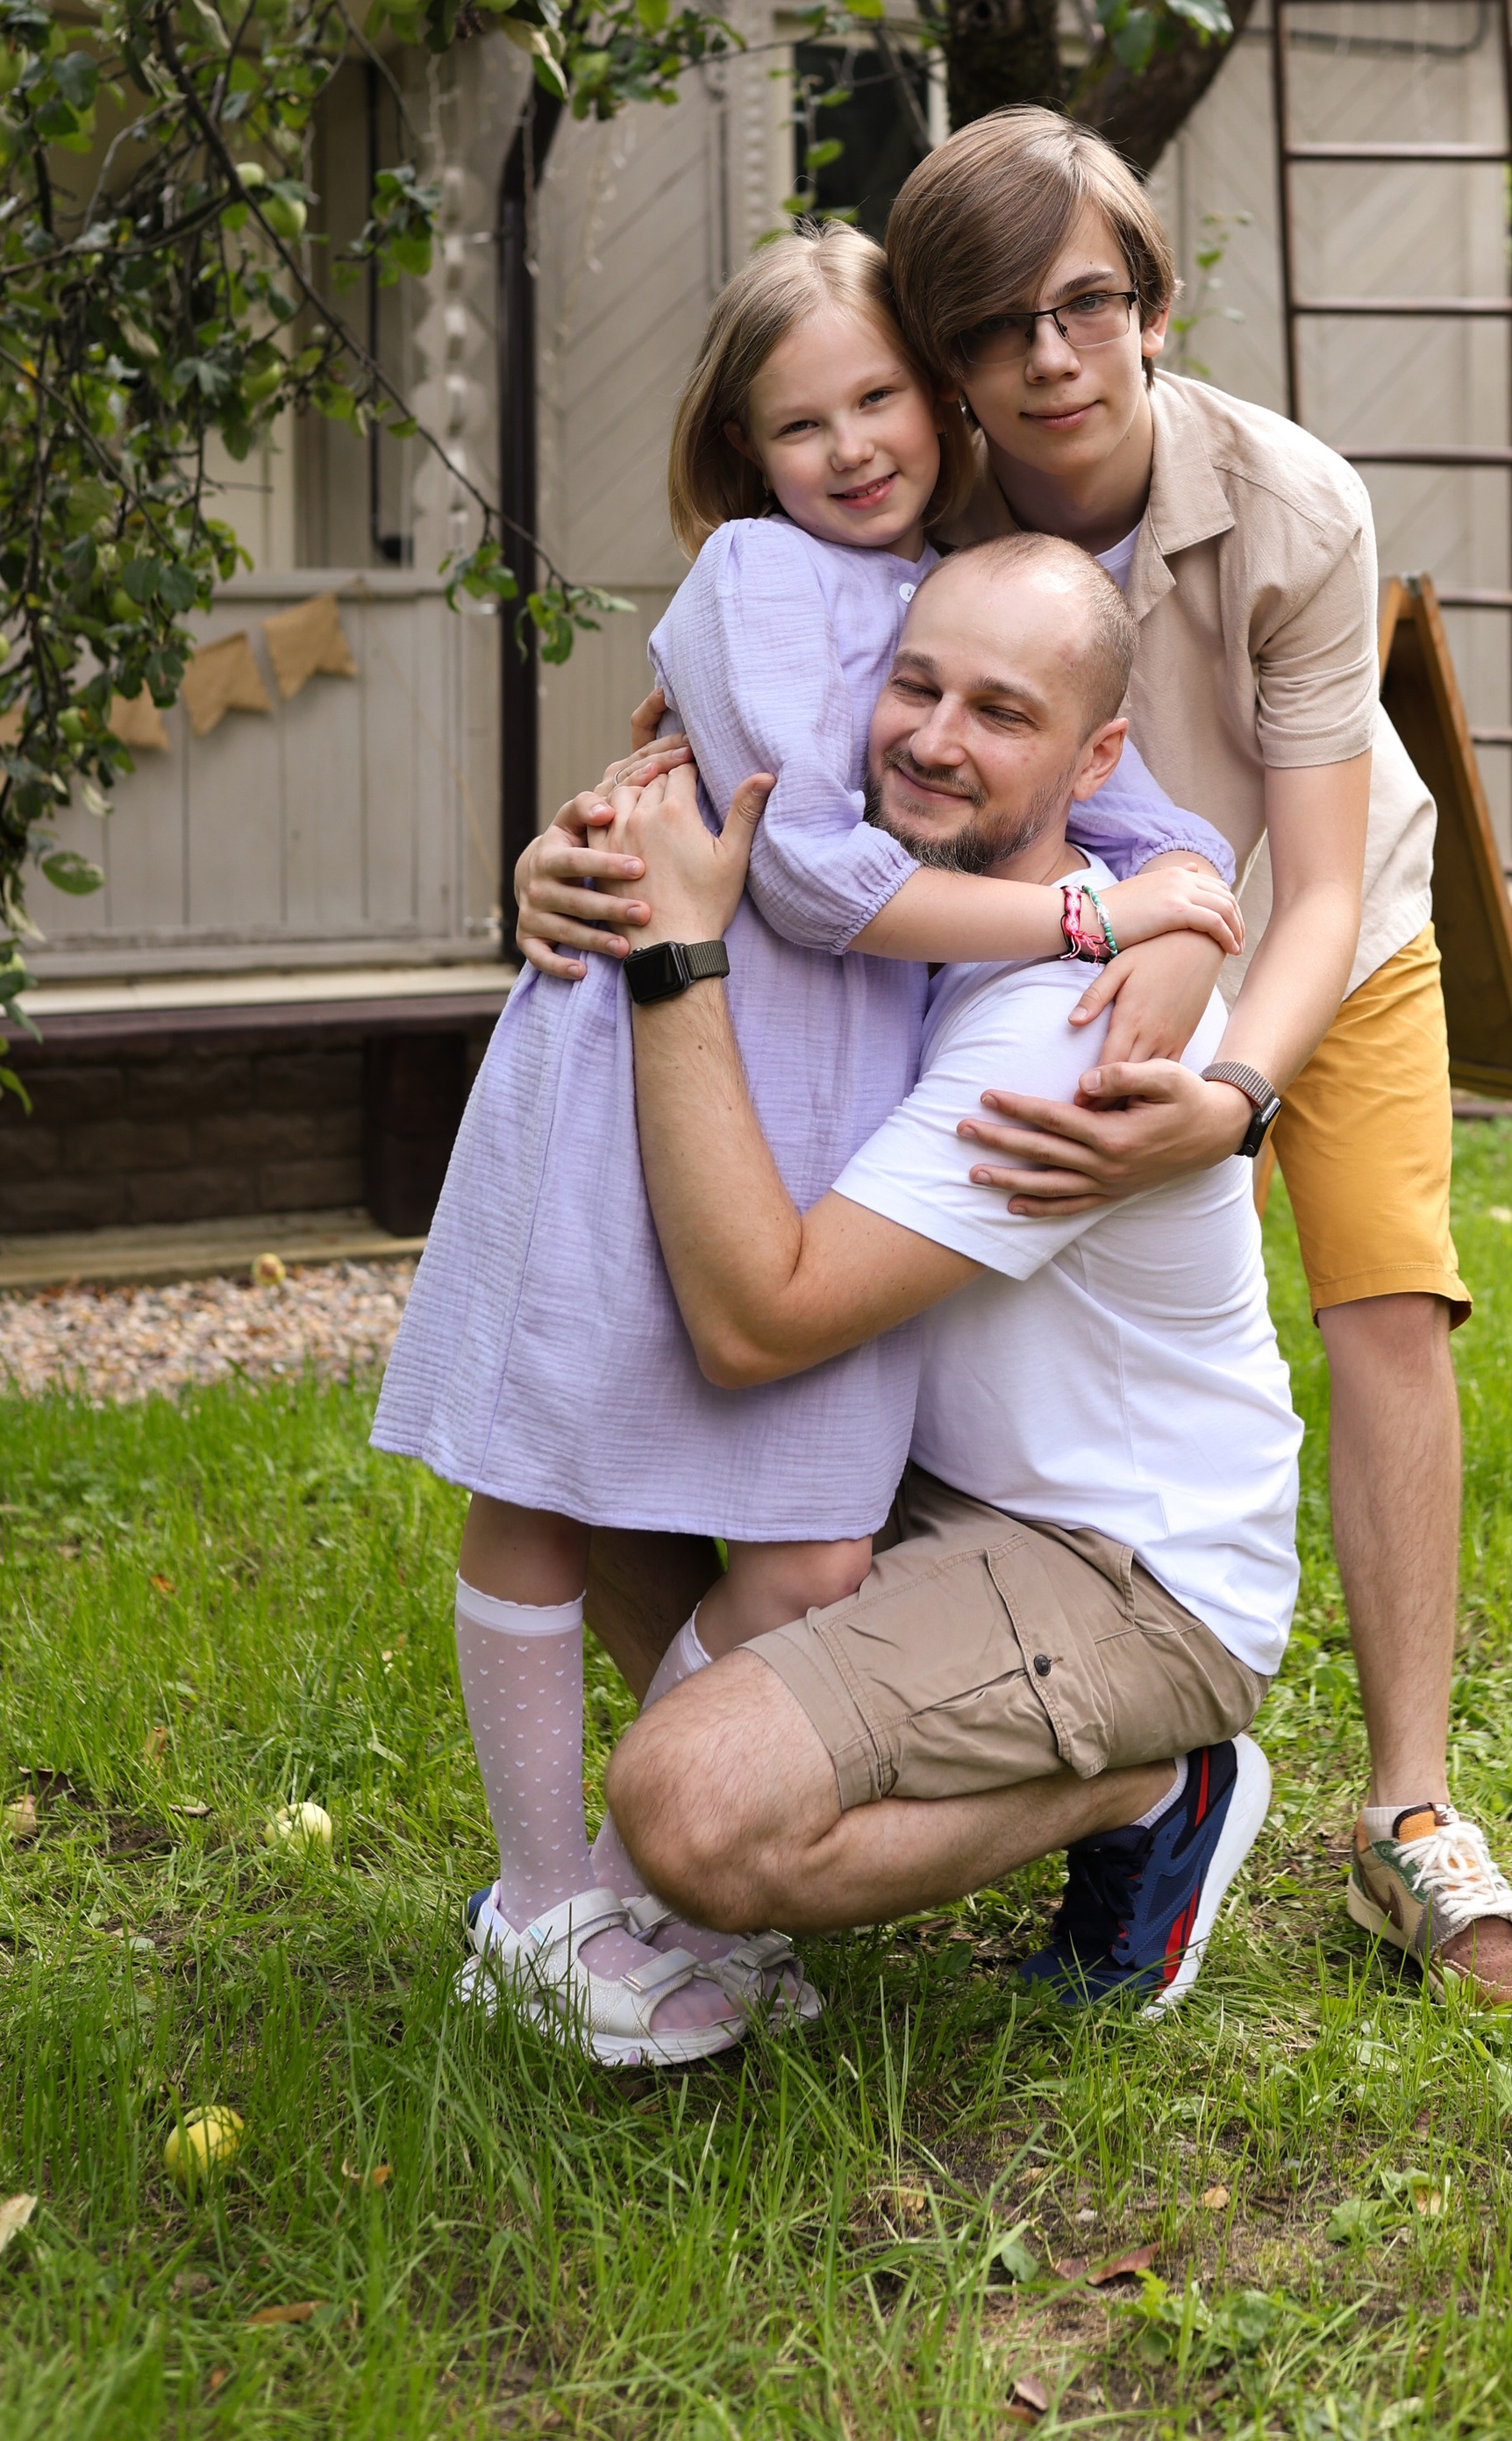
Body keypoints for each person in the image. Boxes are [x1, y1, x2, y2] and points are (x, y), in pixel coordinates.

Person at [520, 112, 1512, 2009]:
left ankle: (1404, 1808)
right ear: (944, 358)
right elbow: (721, 726)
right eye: (993, 328)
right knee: (804, 1365)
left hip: (1311, 900)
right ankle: (946, 1699)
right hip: (1048, 915)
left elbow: (1309, 878)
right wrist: (586, 836)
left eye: (1086, 304)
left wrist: (1221, 1060)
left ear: (1152, 308)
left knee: (1380, 1301)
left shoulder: (1289, 500)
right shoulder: (917, 503)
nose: (1049, 357)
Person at [369, 222, 1242, 2065]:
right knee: (559, 1462)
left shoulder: (973, 587)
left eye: (875, 401)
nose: (847, 445)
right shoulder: (760, 581)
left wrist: (1174, 906)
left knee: (803, 1536)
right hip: (665, 1076)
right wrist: (1086, 924)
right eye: (797, 420)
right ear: (740, 453)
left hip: (799, 1109)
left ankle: (614, 1894)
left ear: (937, 405)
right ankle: (550, 1903)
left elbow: (1152, 815)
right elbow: (805, 871)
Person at [603, 537, 1302, 2012]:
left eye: (1000, 712)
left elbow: (758, 1320)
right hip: (930, 1489)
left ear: (1096, 756)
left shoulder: (1071, 1023)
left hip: (1126, 1570)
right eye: (914, 686)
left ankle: (1152, 1794)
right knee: (568, 1448)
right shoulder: (914, 922)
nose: (932, 740)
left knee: (689, 1809)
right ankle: (601, 1889)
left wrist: (672, 951)